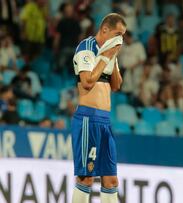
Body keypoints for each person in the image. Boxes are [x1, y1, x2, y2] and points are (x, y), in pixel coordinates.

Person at [71, 13, 126, 203]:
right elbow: (87, 82)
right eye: (118, 33)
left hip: (105, 121)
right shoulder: (86, 47)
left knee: (111, 180)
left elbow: (117, 85)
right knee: (86, 178)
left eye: (123, 35)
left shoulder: (109, 52)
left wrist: (114, 58)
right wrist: (106, 56)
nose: (120, 39)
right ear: (105, 30)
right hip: (88, 119)